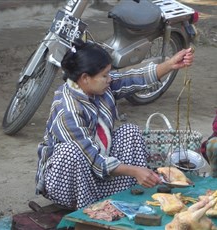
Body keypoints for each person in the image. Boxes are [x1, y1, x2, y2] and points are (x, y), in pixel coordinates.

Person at [35, 39, 194, 210]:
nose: (109, 79)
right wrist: (134, 171)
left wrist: (170, 64)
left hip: (98, 172)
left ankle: (125, 195)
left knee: (129, 131)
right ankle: (83, 208)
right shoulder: (66, 109)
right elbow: (93, 158)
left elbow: (134, 78)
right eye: (105, 75)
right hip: (68, 181)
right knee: (71, 152)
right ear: (85, 78)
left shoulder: (100, 86)